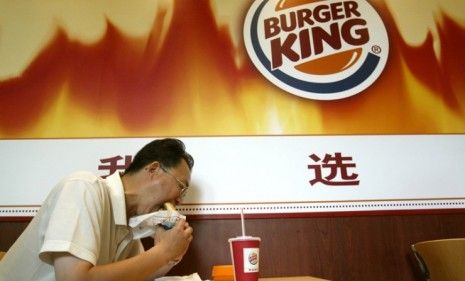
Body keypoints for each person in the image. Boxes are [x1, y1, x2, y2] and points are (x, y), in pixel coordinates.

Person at [0, 138, 194, 281]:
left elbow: (137, 276)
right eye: (181, 186)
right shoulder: (84, 187)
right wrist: (163, 252)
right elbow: (73, 279)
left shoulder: (129, 224)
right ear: (153, 169)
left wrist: (171, 255)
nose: (179, 199)